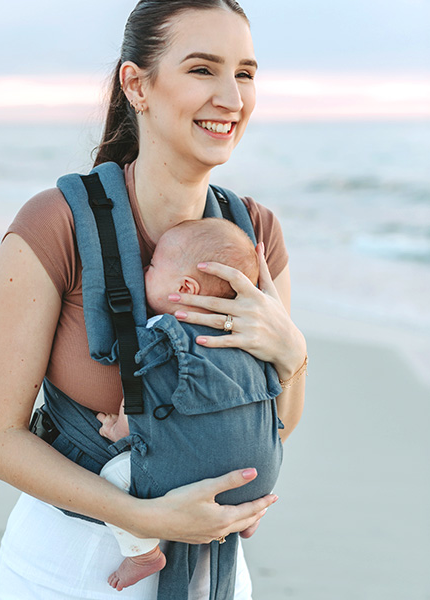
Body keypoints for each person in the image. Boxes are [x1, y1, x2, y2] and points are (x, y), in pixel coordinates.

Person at [0, 1, 308, 598]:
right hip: (74, 568)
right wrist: (144, 519)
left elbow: (275, 419)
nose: (231, 97)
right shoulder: (58, 225)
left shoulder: (255, 234)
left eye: (246, 73)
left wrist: (293, 353)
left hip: (213, 572)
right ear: (137, 84)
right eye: (203, 69)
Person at [94, 218, 288, 592]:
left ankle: (142, 553)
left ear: (185, 288)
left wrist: (117, 429)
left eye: (151, 267)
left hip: (188, 477)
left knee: (113, 478)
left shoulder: (161, 332)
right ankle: (243, 513)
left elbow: (140, 392)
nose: (144, 270)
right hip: (260, 478)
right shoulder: (250, 337)